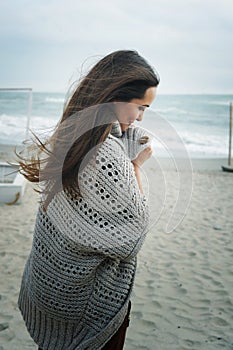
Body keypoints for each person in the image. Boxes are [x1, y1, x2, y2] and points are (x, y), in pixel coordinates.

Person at [17, 49, 159, 350]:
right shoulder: (106, 155)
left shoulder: (74, 133)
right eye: (141, 107)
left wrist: (123, 150)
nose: (141, 118)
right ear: (117, 97)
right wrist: (133, 165)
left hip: (50, 290)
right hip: (84, 312)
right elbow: (132, 237)